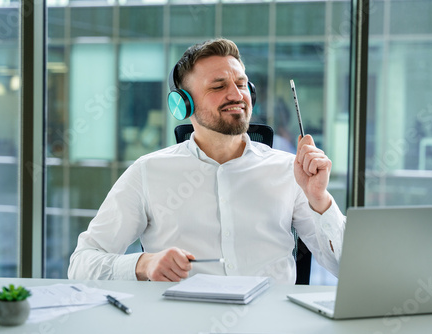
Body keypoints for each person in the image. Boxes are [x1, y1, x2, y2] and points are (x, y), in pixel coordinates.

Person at [68, 38, 346, 284]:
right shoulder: (147, 172)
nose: (237, 96)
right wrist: (143, 264)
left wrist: (319, 200)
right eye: (218, 86)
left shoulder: (290, 171)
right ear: (182, 104)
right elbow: (82, 264)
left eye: (241, 84)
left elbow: (346, 267)